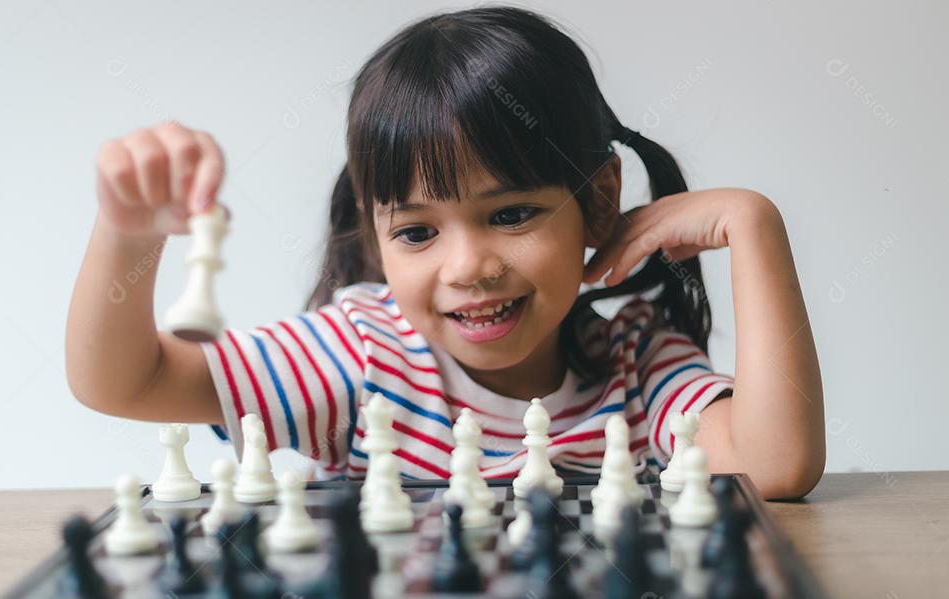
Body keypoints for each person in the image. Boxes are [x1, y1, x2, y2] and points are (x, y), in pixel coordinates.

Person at [66, 7, 824, 499]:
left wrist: (753, 226)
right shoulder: (361, 355)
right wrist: (129, 235)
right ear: (374, 233)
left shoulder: (635, 364)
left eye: (513, 212)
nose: (467, 267)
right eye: (417, 231)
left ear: (598, 201)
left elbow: (776, 465)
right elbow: (128, 383)